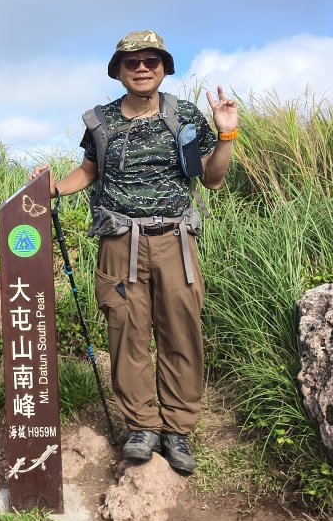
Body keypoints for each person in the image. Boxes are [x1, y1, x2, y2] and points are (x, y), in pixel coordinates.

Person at [32, 30, 238, 474]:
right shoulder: (101, 121)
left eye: (151, 60)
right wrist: (54, 187)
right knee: (126, 333)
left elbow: (213, 180)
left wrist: (225, 136)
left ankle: (178, 430)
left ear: (164, 67)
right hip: (119, 242)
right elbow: (88, 171)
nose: (142, 68)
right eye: (132, 62)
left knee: (181, 332)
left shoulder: (185, 115)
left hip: (175, 242)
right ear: (118, 71)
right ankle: (142, 426)